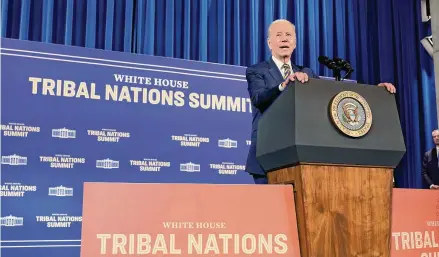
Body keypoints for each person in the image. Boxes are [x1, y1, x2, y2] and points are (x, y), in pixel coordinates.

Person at [245, 19, 396, 184]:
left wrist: (375, 93)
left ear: (294, 43)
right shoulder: (257, 70)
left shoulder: (306, 72)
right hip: (268, 154)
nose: (284, 39)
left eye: (288, 35)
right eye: (278, 35)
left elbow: (328, 98)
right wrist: (284, 84)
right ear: (269, 43)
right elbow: (258, 98)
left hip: (302, 157)